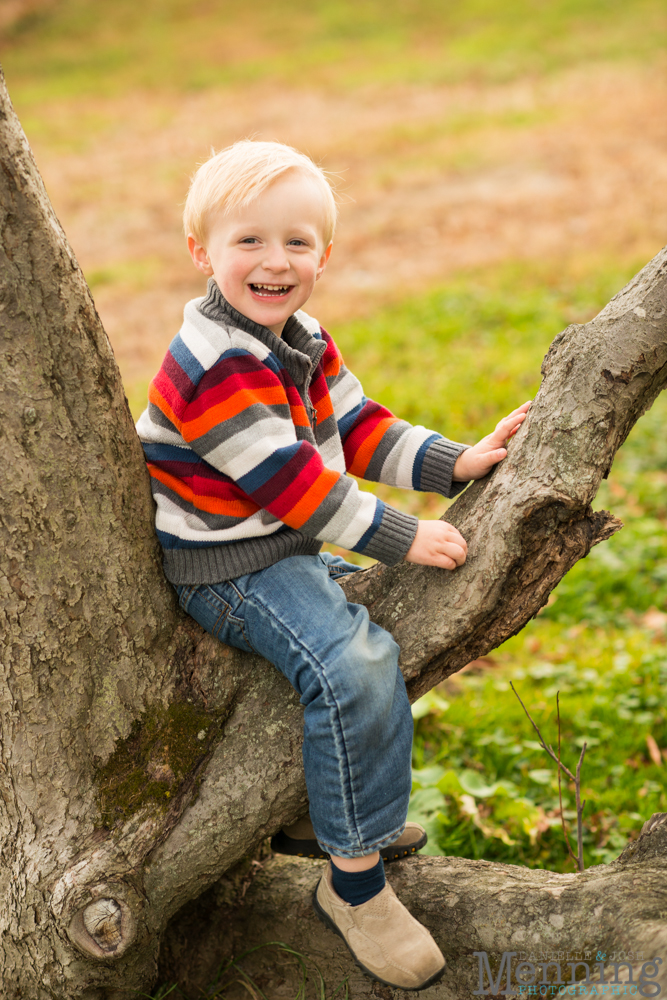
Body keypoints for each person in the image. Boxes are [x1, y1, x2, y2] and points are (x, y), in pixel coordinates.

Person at [136, 140, 529, 991]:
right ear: (201, 250)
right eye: (249, 241)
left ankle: (337, 815)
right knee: (351, 663)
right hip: (228, 565)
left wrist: (455, 462)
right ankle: (351, 883)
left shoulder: (300, 336)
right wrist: (400, 534)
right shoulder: (212, 365)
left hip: (282, 540)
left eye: (299, 242)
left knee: (370, 642)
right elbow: (292, 487)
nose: (275, 262)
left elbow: (358, 430)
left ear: (323, 254)